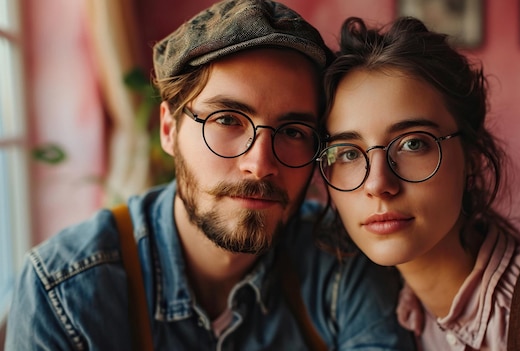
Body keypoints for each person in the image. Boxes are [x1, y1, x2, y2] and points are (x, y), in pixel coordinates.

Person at [4, 2, 415, 350]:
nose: (260, 163)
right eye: (227, 119)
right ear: (169, 130)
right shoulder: (64, 290)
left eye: (293, 132)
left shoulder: (341, 264)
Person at [316, 16, 520, 350]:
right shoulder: (366, 314)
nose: (378, 183)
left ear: (472, 159)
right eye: (347, 153)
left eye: (413, 143)